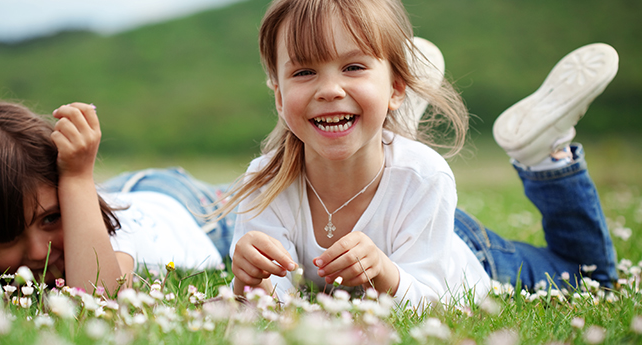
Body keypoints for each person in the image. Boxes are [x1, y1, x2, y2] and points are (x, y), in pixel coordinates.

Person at [223, 0, 619, 306]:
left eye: (354, 67)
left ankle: (542, 152)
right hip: (407, 205)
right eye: (304, 73)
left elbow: (434, 300)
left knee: (591, 278)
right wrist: (249, 283)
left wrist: (385, 274)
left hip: (461, 251)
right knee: (402, 176)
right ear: (279, 97)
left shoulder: (427, 175)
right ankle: (380, 126)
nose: (328, 89)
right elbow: (272, 303)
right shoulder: (266, 182)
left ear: (397, 87)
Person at [0, 101, 234, 292]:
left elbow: (94, 299)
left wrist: (76, 175)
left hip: (188, 210)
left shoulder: (113, 239)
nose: (36, 252)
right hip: (118, 191)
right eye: (6, 236)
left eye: (51, 218)